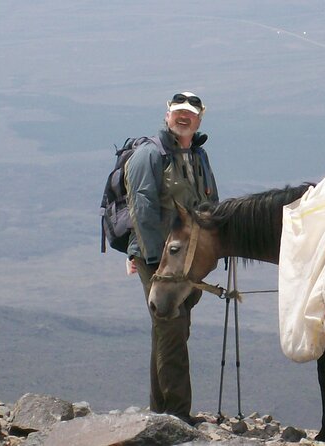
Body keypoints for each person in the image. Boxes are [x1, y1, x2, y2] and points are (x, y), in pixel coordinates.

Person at [124, 91, 218, 426]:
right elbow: (142, 210)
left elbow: (211, 207)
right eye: (178, 112)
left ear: (199, 119)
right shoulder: (150, 155)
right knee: (173, 329)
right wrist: (157, 265)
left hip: (188, 261)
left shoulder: (198, 156)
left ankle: (159, 412)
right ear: (166, 115)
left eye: (189, 114)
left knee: (170, 331)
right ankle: (177, 416)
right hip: (161, 262)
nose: (183, 117)